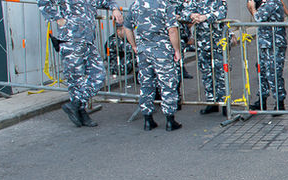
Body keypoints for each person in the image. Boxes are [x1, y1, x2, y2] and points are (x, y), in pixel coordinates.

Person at [38, 0, 124, 127]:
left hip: (88, 41)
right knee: (76, 80)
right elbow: (43, 2)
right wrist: (58, 18)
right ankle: (81, 111)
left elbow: (107, 2)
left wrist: (115, 9)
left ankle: (75, 104)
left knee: (99, 75)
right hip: (70, 40)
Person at [130, 0, 184, 131]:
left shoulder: (135, 5)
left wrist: (134, 46)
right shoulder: (166, 5)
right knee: (167, 84)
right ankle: (170, 120)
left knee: (146, 84)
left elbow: (127, 27)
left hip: (143, 51)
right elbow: (172, 30)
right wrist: (176, 49)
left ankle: (148, 120)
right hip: (162, 51)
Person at [184, 0, 229, 115]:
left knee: (221, 74)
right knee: (206, 73)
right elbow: (184, 12)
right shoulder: (196, 1)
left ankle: (225, 103)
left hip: (218, 43)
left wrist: (206, 17)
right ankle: (211, 102)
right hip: (202, 44)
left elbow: (222, 13)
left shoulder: (218, 1)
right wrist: (191, 15)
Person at [249, 0, 288, 113]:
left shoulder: (272, 3)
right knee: (262, 72)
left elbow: (258, 17)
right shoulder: (265, 3)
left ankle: (280, 103)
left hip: (274, 44)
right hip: (265, 44)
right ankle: (262, 101)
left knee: (274, 73)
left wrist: (252, 7)